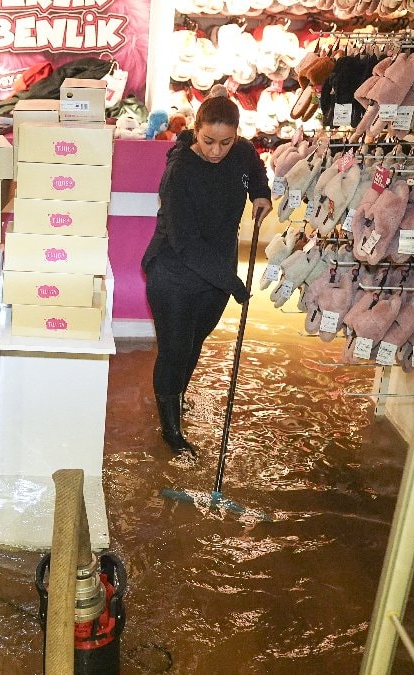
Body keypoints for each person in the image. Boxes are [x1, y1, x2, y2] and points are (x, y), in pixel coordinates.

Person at [141, 94, 272, 458]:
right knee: (175, 348)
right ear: (195, 131)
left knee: (194, 343)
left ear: (236, 136)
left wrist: (261, 195)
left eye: (225, 143)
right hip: (174, 272)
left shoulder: (242, 152)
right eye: (208, 141)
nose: (216, 151)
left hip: (215, 273)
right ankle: (170, 431)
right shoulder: (179, 172)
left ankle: (175, 401)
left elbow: (255, 169)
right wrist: (232, 282)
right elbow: (184, 242)